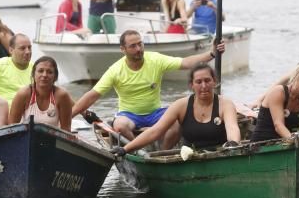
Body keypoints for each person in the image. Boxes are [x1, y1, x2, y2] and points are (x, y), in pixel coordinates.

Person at [71, 29, 225, 141]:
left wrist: (211, 53)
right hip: (129, 115)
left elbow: (185, 62)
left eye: (140, 44)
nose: (138, 49)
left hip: (155, 113)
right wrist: (68, 115)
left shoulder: (155, 60)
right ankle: (136, 152)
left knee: (178, 123)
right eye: (133, 46)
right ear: (122, 49)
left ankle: (163, 154)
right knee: (120, 127)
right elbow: (92, 95)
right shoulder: (115, 70)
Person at [119, 63, 240, 153]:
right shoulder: (180, 105)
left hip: (219, 156)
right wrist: (125, 149)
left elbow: (232, 128)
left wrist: (234, 143)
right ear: (191, 85)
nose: (204, 86)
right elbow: (155, 131)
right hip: (189, 158)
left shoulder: (226, 104)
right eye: (198, 82)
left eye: (207, 80)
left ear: (214, 82)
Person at [9, 56, 72, 131]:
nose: (44, 75)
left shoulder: (62, 96)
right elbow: (11, 128)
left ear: (55, 76)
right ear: (33, 74)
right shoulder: (23, 94)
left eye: (49, 72)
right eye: (40, 71)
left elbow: (66, 129)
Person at [0, 33, 33, 106]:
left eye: (29, 47)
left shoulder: (37, 69)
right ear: (11, 50)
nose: (28, 52)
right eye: (22, 48)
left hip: (26, 114)